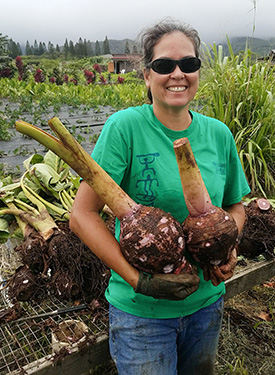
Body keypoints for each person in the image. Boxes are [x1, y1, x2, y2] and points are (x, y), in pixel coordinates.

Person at [69, 18, 251, 375]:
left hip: (206, 304)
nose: (178, 74)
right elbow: (82, 216)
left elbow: (235, 207)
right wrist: (141, 281)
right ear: (147, 75)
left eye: (189, 63)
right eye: (165, 65)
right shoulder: (125, 128)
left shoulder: (219, 135)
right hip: (142, 315)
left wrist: (228, 246)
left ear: (199, 70)